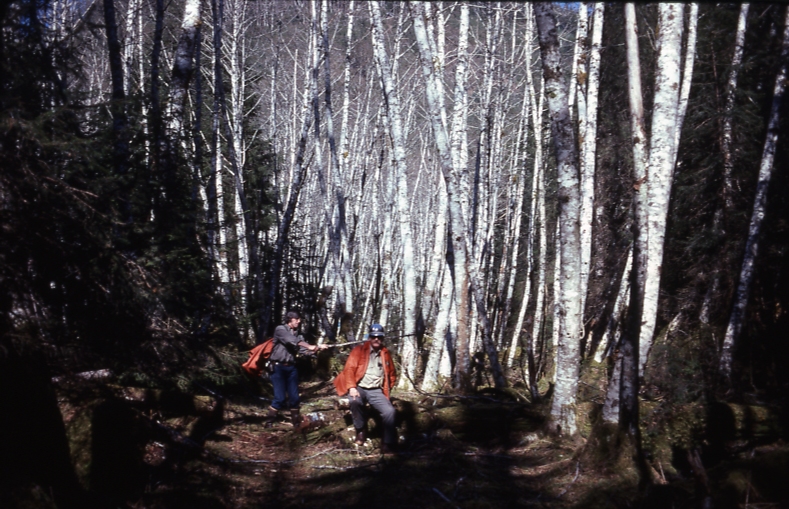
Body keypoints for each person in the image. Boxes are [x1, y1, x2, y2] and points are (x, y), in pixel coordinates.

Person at [333, 323, 398, 454]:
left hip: (376, 390)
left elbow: (392, 374)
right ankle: (360, 430)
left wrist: (386, 389)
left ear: (382, 338)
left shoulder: (385, 353)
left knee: (390, 411)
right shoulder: (359, 350)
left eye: (379, 337)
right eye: (373, 336)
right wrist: (352, 387)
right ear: (369, 337)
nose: (376, 339)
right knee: (355, 401)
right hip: (359, 386)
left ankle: (387, 443)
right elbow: (349, 369)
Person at [265, 310, 327, 427]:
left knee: (294, 398)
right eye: (296, 319)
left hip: (291, 368)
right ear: (290, 319)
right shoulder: (280, 329)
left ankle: (296, 424)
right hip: (278, 367)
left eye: (299, 319)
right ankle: (269, 422)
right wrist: (310, 346)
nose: (299, 321)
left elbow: (303, 350)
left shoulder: (299, 335)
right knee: (280, 398)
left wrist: (316, 350)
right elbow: (291, 340)